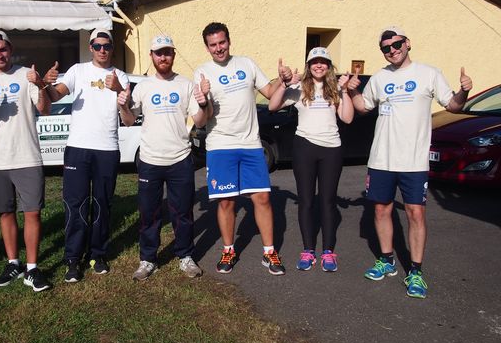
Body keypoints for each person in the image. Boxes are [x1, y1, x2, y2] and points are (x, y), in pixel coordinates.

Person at [347, 26, 472, 299]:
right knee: (381, 211)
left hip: (413, 161)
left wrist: (463, 91)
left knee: (415, 214)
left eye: (396, 44)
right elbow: (363, 107)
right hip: (381, 158)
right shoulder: (380, 77)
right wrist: (352, 91)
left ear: (408, 43)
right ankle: (387, 260)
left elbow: (453, 106)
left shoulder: (429, 73)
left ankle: (415, 271)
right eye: (386, 48)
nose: (392, 50)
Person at [194, 22, 286, 275]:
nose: (218, 48)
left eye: (222, 42)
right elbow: (204, 116)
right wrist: (203, 101)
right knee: (226, 202)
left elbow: (269, 91)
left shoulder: (246, 63)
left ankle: (269, 253)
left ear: (229, 41)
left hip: (250, 144)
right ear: (207, 47)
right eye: (213, 45)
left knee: (263, 198)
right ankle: (228, 249)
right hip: (220, 145)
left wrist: (283, 80)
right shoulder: (202, 72)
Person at [117, 35, 211, 281]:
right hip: (149, 160)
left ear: (173, 54)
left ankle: (185, 256)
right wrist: (124, 106)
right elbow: (128, 120)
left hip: (180, 158)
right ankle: (148, 259)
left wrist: (203, 103)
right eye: (158, 53)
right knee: (149, 213)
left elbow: (199, 121)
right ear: (151, 56)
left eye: (167, 52)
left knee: (182, 213)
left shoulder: (186, 84)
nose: (163, 57)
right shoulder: (143, 87)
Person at [43, 28, 128, 282]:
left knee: (102, 204)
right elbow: (55, 94)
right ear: (90, 47)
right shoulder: (77, 71)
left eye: (107, 46)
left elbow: (127, 110)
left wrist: (118, 88)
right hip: (78, 148)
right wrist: (45, 83)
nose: (103, 50)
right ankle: (72, 258)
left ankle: (98, 253)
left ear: (112, 48)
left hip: (107, 149)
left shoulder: (120, 75)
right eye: (98, 45)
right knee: (76, 204)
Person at [0, 30, 54, 292]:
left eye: (4, 49)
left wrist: (40, 83)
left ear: (11, 50)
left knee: (32, 211)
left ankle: (32, 268)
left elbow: (45, 109)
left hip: (27, 155)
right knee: (6, 211)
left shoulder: (25, 75)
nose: (0, 54)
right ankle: (13, 263)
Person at [268, 47, 353, 272]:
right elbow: (272, 106)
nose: (319, 65)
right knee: (306, 200)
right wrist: (284, 84)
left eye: (323, 62)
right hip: (304, 147)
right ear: (308, 65)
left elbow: (347, 117)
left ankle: (327, 252)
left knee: (327, 201)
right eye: (314, 62)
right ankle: (308, 250)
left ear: (329, 66)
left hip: (331, 149)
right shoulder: (298, 88)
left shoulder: (335, 88)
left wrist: (345, 92)